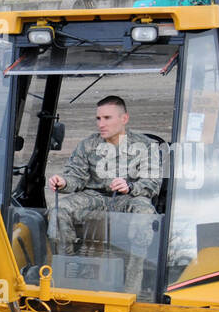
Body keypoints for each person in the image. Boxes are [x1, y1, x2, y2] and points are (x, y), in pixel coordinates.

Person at [47, 95, 162, 251]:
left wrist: (129, 186)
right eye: (98, 118)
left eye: (107, 118)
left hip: (128, 198)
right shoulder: (88, 145)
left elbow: (152, 183)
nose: (101, 124)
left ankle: (134, 273)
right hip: (94, 197)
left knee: (144, 212)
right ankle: (66, 263)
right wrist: (64, 182)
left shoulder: (146, 145)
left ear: (124, 118)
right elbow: (76, 176)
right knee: (58, 209)